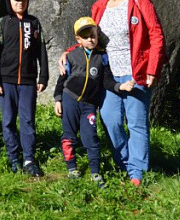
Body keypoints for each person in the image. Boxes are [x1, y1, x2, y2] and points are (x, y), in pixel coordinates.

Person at [60, 0, 166, 186]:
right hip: (107, 78)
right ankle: (125, 163)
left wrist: (152, 69)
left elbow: (156, 35)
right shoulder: (99, 7)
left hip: (135, 73)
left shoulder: (139, 2)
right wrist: (68, 52)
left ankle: (137, 173)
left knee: (137, 124)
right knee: (110, 121)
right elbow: (90, 38)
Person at [54, 16, 135, 188]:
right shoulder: (71, 56)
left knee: (91, 137)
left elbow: (107, 82)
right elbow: (61, 80)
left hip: (89, 105)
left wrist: (121, 86)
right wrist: (58, 99)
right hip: (70, 100)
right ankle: (72, 168)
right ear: (78, 39)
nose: (90, 39)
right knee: (69, 135)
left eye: (93, 34)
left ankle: (95, 172)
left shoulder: (102, 57)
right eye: (85, 36)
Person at [0, 0, 49, 177]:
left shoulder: (34, 22)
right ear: (9, 0)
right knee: (8, 121)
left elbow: (41, 51)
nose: (19, 2)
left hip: (28, 81)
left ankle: (29, 159)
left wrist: (44, 76)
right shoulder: (2, 22)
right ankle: (13, 157)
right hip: (6, 82)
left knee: (28, 121)